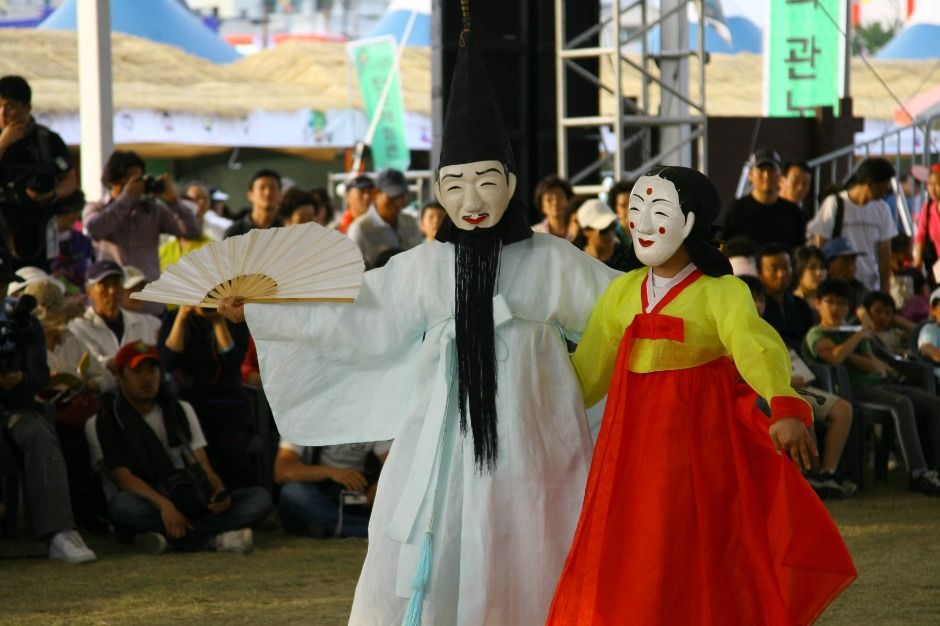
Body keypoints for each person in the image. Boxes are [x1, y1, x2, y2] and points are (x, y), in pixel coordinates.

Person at [218, 29, 620, 625]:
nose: (472, 198)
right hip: (444, 445)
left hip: (536, 438)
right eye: (455, 184)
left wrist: (692, 299)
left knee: (537, 538)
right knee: (444, 543)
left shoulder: (554, 261)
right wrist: (263, 306)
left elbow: (623, 306)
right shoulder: (424, 267)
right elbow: (353, 315)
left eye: (486, 181)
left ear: (511, 184)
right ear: (437, 191)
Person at [546, 166, 855, 625]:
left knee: (699, 550)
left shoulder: (721, 292)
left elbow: (755, 345)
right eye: (636, 210)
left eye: (657, 211)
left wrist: (784, 404)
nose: (642, 223)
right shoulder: (622, 292)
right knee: (639, 549)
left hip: (702, 448)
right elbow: (587, 373)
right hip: (632, 454)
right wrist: (532, 384)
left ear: (689, 221)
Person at [86, 341, 272, 554]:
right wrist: (164, 505)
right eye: (138, 372)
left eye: (152, 370)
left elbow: (201, 464)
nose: (147, 378)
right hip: (148, 499)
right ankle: (212, 539)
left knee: (259, 499)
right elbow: (123, 478)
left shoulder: (179, 409)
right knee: (122, 506)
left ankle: (171, 539)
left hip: (186, 495)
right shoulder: (105, 420)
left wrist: (218, 490)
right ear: (119, 378)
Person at [0, 248, 96, 563]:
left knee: (40, 434)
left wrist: (21, 379)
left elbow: (39, 375)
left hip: (15, 410)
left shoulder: (23, 320)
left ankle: (59, 532)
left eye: (2, 283)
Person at [807, 279, 940, 496]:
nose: (836, 308)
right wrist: (856, 338)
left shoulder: (852, 331)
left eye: (842, 303)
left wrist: (849, 352)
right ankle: (918, 473)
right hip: (853, 389)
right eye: (830, 302)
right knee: (901, 404)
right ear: (818, 304)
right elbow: (834, 358)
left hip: (879, 383)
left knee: (932, 403)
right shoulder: (817, 333)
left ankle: (934, 469)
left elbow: (872, 364)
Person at [742, 274, 855, 499]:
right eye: (751, 299)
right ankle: (809, 479)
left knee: (843, 409)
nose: (757, 304)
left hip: (795, 386)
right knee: (800, 408)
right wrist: (789, 381)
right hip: (768, 393)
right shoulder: (735, 333)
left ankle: (827, 474)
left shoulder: (770, 330)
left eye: (760, 299)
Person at [158, 304, 259, 489]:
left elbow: (233, 363)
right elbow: (167, 362)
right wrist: (182, 317)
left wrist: (219, 322)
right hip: (189, 405)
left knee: (231, 454)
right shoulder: (174, 318)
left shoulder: (234, 318)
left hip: (228, 405)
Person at [0, 75, 80, 272]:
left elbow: (70, 180)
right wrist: (3, 144)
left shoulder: (47, 141)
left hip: (39, 231)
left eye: (10, 106)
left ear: (27, 107)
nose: (3, 113)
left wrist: (51, 194)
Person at [83, 150, 200, 282]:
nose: (138, 185)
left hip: (147, 288)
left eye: (140, 178)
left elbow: (192, 232)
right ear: (113, 181)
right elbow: (94, 230)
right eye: (132, 180)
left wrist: (173, 201)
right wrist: (126, 198)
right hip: (113, 288)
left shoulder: (153, 210)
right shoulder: (97, 208)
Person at [807, 157, 897, 293]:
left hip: (870, 285)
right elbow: (821, 244)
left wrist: (885, 289)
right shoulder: (835, 203)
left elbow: (885, 253)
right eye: (885, 184)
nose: (888, 189)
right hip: (839, 285)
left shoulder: (883, 209)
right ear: (870, 183)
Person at [275, 437, 390, 538]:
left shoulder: (373, 422)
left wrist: (380, 485)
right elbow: (282, 472)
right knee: (293, 493)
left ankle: (329, 527)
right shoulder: (303, 422)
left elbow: (394, 466)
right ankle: (365, 529)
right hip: (318, 492)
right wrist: (330, 472)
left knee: (392, 490)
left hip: (356, 491)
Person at [67, 261, 161, 372]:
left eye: (116, 283)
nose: (112, 291)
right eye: (104, 285)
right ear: (89, 291)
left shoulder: (150, 323)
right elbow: (92, 364)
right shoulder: (78, 326)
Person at [715, 148, 806, 248]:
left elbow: (800, 251)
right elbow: (718, 247)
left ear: (780, 175)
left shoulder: (794, 213)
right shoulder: (734, 211)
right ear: (750, 175)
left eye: (771, 170)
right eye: (761, 170)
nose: (766, 175)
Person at [347, 168, 422, 269]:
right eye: (392, 196)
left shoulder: (410, 222)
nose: (398, 202)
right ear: (375, 194)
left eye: (401, 196)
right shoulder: (360, 229)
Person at [755, 242, 814, 349]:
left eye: (785, 267)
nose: (781, 274)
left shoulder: (801, 305)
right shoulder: (756, 309)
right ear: (760, 273)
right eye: (773, 269)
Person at [224, 169, 283, 238]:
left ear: (280, 195)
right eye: (262, 187)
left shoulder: (286, 230)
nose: (267, 192)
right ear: (250, 195)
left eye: (272, 188)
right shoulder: (234, 233)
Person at [575, 198, 631, 271]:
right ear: (587, 231)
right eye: (604, 230)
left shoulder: (628, 257)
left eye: (613, 226)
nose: (610, 234)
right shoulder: (577, 260)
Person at [823, 237, 868, 316]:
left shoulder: (861, 292)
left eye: (853, 262)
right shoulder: (819, 291)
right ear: (829, 266)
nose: (851, 268)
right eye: (845, 262)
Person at [912, 164, 940, 285]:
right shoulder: (928, 208)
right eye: (929, 184)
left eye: (937, 184)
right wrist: (917, 264)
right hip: (934, 269)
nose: (932, 189)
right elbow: (920, 236)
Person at [531, 174, 575, 240]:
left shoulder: (577, 232)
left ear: (568, 200)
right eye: (549, 200)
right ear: (542, 206)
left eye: (560, 197)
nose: (555, 202)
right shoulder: (534, 234)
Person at [793, 244, 827, 312]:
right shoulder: (790, 304)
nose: (819, 273)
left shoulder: (830, 302)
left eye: (822, 267)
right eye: (812, 267)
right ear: (799, 271)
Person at [607, 179, 633, 247]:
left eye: (633, 203)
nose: (629, 209)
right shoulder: (611, 237)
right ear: (615, 208)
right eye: (623, 205)